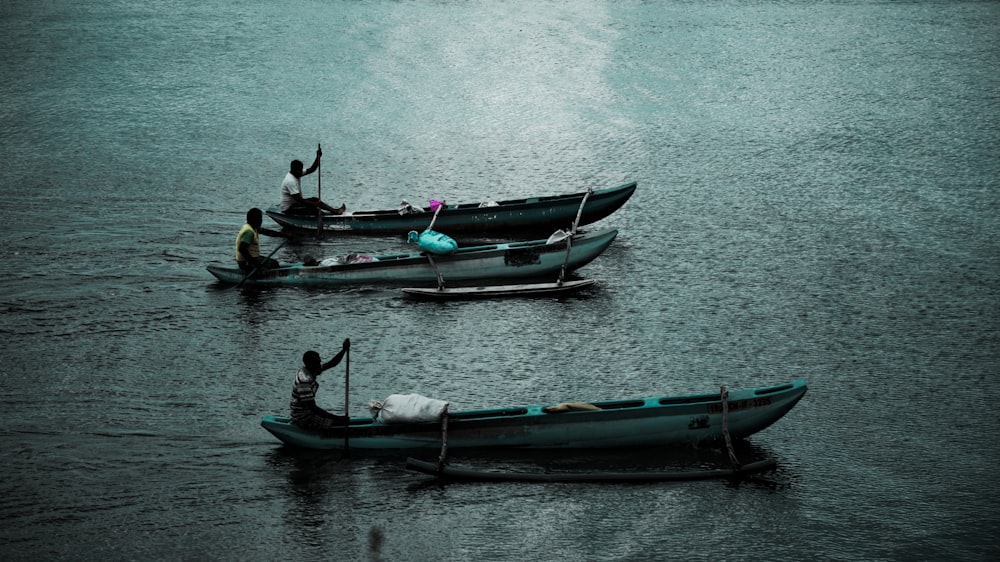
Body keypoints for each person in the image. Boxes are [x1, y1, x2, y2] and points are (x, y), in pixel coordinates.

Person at [290, 340, 351, 429]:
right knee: (335, 423)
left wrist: (344, 350)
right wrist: (338, 418)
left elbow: (331, 363)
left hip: (308, 412)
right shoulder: (304, 381)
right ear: (311, 364)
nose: (320, 365)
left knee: (336, 420)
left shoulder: (311, 370)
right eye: (317, 363)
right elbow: (313, 408)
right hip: (303, 417)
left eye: (319, 362)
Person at [279, 145, 346, 215]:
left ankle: (334, 211)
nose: (301, 172)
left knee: (315, 199)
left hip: (295, 204)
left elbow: (312, 169)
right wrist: (314, 204)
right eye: (299, 170)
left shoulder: (297, 173)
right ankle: (326, 215)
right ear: (293, 170)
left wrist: (318, 157)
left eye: (301, 170)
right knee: (312, 207)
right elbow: (299, 200)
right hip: (289, 208)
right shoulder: (290, 181)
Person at [236, 207, 286, 275]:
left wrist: (284, 235)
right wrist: (255, 264)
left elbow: (267, 232)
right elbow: (242, 249)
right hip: (246, 262)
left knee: (273, 263)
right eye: (260, 218)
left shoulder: (252, 227)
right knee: (274, 264)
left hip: (252, 259)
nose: (261, 220)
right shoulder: (249, 232)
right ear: (254, 220)